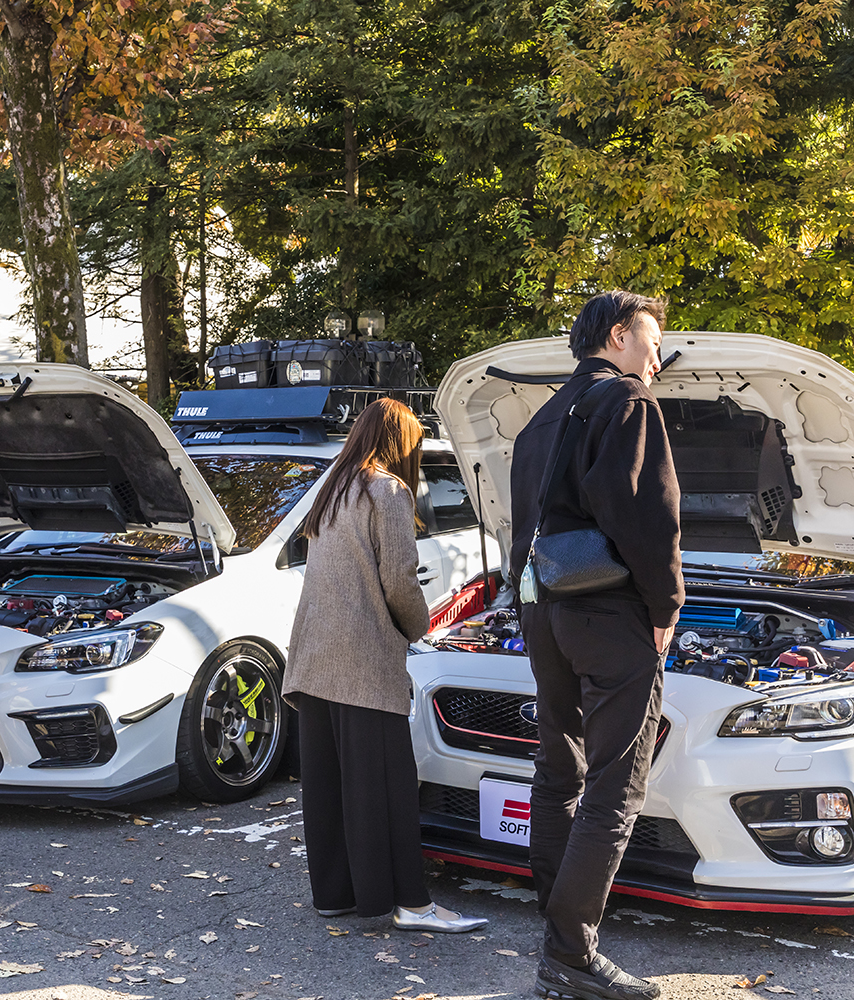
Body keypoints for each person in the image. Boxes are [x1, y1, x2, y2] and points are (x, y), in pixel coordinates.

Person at [508, 291, 682, 1000]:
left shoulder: (540, 419)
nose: (658, 353)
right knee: (616, 783)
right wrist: (665, 605)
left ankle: (557, 926)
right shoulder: (628, 403)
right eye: (652, 336)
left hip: (542, 609)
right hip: (609, 615)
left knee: (560, 771)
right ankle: (572, 954)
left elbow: (520, 526)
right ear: (618, 335)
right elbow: (647, 515)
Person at [284, 398, 488, 934]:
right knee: (386, 784)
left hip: (312, 656)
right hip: (361, 659)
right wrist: (423, 628)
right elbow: (400, 578)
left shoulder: (336, 485)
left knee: (329, 786)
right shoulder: (387, 489)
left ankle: (337, 896)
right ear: (400, 441)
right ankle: (410, 905)